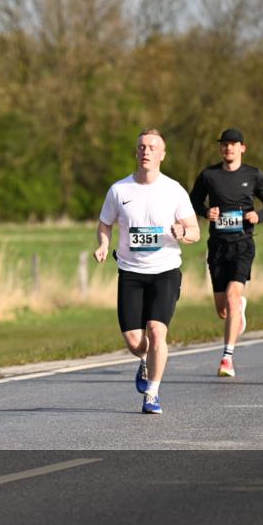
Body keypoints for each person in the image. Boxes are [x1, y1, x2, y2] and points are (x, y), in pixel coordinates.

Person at [94, 129, 200, 414]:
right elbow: (105, 223)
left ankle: (152, 393)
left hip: (165, 270)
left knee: (156, 332)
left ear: (162, 155)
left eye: (152, 147)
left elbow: (195, 232)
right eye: (141, 146)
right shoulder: (119, 190)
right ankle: (144, 361)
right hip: (130, 272)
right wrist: (103, 244)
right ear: (136, 152)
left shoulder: (174, 190)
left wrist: (183, 232)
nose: (146, 151)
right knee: (134, 342)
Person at [190, 129, 263, 377]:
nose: (228, 148)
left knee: (232, 294)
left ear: (242, 148)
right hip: (217, 246)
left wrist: (257, 216)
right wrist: (206, 212)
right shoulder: (209, 175)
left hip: (242, 244)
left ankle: (227, 358)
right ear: (221, 149)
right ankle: (239, 308)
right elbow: (193, 200)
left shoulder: (253, 175)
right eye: (224, 145)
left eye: (233, 144)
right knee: (224, 310)